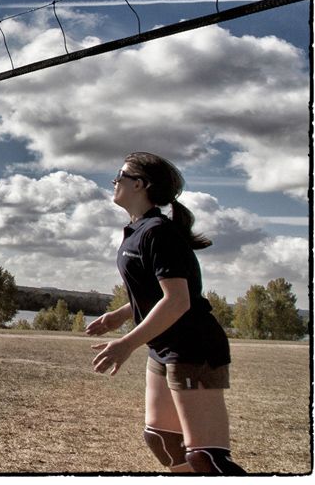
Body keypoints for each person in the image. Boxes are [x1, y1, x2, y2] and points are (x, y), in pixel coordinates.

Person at [85, 152, 245, 474]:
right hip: (164, 345)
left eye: (120, 175)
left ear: (140, 184)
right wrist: (122, 314)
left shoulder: (158, 231)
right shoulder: (138, 230)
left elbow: (177, 300)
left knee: (207, 458)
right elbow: (159, 294)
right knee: (163, 440)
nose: (114, 181)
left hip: (193, 347)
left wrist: (126, 343)